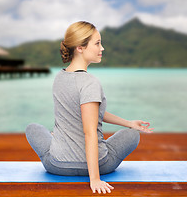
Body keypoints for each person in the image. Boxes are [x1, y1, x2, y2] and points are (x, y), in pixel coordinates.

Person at [25, 21, 153, 194]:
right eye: (97, 43)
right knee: (131, 136)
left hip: (57, 165)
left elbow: (93, 113)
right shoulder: (90, 83)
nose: (102, 48)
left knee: (33, 128)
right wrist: (95, 178)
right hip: (100, 165)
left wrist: (128, 122)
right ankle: (69, 144)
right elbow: (90, 132)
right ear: (80, 48)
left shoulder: (59, 78)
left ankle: (60, 139)